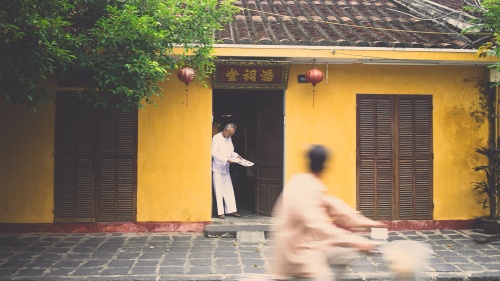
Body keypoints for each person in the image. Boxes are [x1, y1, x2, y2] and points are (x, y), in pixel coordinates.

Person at [270, 145, 386, 281]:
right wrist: (355, 241)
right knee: (324, 277)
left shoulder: (305, 182)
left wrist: (374, 223)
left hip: (309, 244)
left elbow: (340, 212)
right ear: (325, 167)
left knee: (346, 254)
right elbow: (320, 227)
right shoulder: (306, 189)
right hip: (295, 252)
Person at [211, 123, 242, 219]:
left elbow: (231, 151)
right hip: (218, 168)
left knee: (229, 190)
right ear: (225, 130)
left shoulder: (229, 139)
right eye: (229, 133)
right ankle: (220, 212)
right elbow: (214, 154)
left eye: (232, 134)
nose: (230, 136)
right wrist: (226, 159)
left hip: (226, 169)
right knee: (219, 190)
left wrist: (237, 156)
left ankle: (231, 210)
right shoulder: (216, 138)